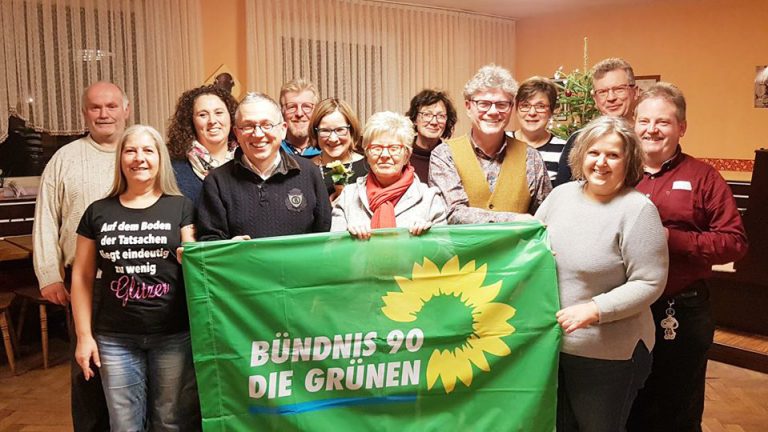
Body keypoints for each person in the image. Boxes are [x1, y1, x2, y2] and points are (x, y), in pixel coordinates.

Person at [535, 116, 668, 432]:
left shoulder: (637, 210)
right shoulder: (560, 196)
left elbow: (650, 282)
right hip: (554, 347)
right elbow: (531, 243)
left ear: (629, 160)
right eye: (594, 152)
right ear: (581, 155)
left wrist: (595, 309)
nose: (601, 162)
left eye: (613, 155)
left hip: (609, 356)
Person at [628, 83, 748, 432]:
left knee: (678, 406)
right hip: (626, 310)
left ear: (681, 127)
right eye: (644, 120)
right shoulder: (617, 174)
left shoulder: (704, 177)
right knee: (629, 400)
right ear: (634, 124)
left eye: (663, 122)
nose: (652, 129)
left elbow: (735, 243)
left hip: (681, 310)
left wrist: (670, 238)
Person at [71, 125, 200, 431]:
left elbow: (194, 255)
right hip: (115, 338)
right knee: (123, 424)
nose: (139, 158)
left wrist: (194, 253)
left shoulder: (181, 206)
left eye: (148, 150)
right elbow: (82, 275)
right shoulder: (97, 212)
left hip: (173, 334)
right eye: (131, 150)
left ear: (160, 159)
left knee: (169, 421)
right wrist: (84, 336)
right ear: (120, 159)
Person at [32, 81, 129, 431]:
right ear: (84, 112)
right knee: (87, 375)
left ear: (126, 110)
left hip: (139, 283)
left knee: (132, 378)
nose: (104, 113)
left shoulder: (139, 152)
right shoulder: (65, 158)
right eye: (95, 107)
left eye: (111, 106)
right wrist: (49, 275)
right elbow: (45, 218)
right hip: (84, 285)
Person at [197, 92, 331, 241]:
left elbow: (324, 236)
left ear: (283, 129)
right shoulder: (216, 182)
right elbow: (209, 243)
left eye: (267, 125)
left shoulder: (309, 173)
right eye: (248, 126)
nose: (258, 134)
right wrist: (228, 247)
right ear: (236, 133)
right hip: (241, 264)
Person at [429, 64, 551, 223]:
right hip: (464, 248)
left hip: (518, 248)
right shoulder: (444, 155)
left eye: (502, 104)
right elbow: (453, 213)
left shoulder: (531, 158)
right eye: (484, 104)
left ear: (511, 107)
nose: (493, 112)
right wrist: (512, 219)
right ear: (468, 106)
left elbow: (545, 216)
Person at [331, 111, 447, 239]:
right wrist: (347, 238)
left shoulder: (429, 198)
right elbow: (331, 251)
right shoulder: (348, 196)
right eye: (376, 148)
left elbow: (446, 253)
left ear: (407, 155)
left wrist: (428, 238)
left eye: (394, 148)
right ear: (367, 154)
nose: (385, 155)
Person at [554, 58, 639, 186]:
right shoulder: (578, 140)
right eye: (603, 92)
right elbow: (564, 192)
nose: (611, 98)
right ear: (595, 99)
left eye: (619, 89)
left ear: (635, 92)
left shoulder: (647, 139)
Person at [167, 84, 239, 203]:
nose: (212, 121)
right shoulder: (173, 170)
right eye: (203, 115)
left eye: (219, 112)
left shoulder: (247, 162)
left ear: (231, 117)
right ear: (191, 122)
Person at [308, 98, 368, 202]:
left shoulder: (368, 167)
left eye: (340, 130)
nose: (333, 139)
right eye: (325, 130)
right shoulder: (306, 169)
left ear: (351, 130)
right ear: (315, 132)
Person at [508, 76, 566, 182]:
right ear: (516, 109)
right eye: (525, 105)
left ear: (551, 111)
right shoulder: (501, 142)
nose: (532, 113)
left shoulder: (564, 149)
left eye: (540, 106)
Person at [404, 89, 457, 181]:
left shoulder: (452, 156)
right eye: (427, 114)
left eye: (441, 116)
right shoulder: (402, 153)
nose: (434, 122)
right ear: (415, 119)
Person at [279, 78, 321, 157]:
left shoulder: (327, 150)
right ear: (282, 111)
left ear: (316, 111)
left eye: (306, 107)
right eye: (291, 107)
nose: (299, 113)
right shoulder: (274, 152)